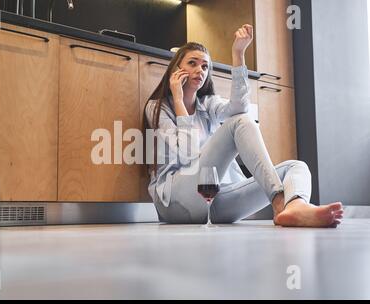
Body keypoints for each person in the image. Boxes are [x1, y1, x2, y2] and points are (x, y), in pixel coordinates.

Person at [143, 24, 343, 227]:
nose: (199, 70)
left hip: (214, 202)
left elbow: (240, 107)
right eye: (192, 63)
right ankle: (279, 202)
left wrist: (238, 54)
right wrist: (177, 100)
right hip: (177, 203)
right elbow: (187, 155)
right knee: (240, 122)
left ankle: (295, 206)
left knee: (296, 166)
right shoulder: (157, 108)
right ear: (176, 70)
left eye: (204, 66)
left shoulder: (208, 104)